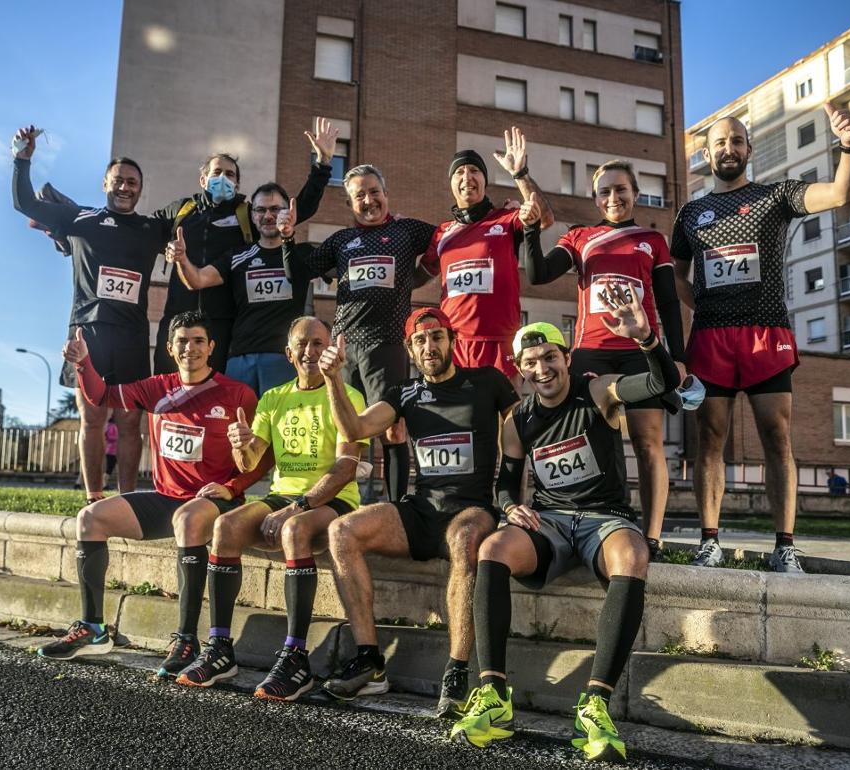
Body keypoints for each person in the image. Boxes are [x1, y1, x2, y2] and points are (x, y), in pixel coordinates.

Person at [450, 287, 677, 761]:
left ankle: (595, 704)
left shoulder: (597, 391)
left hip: (604, 519)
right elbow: (504, 487)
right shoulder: (516, 419)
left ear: (566, 356)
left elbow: (662, 383)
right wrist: (511, 509)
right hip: (550, 522)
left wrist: (646, 340)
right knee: (491, 549)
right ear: (520, 369)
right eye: (530, 362)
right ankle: (492, 695)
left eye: (549, 356)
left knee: (633, 557)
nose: (542, 369)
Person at [672, 104, 850, 573]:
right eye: (720, 142)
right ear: (707, 153)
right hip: (711, 338)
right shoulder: (691, 213)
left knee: (777, 438)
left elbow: (841, 193)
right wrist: (706, 302)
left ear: (749, 150)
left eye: (737, 141)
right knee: (709, 440)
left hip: (766, 334)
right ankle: (710, 542)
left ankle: (785, 547)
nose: (728, 149)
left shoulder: (776, 195)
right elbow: (674, 276)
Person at [36, 311, 271, 681]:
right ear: (170, 347)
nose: (189, 348)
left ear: (211, 347)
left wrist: (234, 487)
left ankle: (187, 640)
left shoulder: (237, 393)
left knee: (190, 517)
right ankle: (93, 628)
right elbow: (101, 394)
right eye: (182, 341)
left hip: (215, 501)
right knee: (90, 518)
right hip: (168, 499)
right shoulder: (156, 388)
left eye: (197, 341)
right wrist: (84, 364)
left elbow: (264, 455)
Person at [319, 307, 518, 716]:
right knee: (342, 532)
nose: (430, 347)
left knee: (465, 542)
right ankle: (370, 661)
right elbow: (354, 430)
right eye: (420, 341)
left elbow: (523, 437)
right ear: (410, 349)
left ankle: (457, 671)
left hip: (472, 509)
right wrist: (333, 378)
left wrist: (516, 501)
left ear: (452, 340)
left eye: (437, 337)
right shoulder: (404, 393)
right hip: (423, 509)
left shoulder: (488, 382)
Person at [171, 316, 367, 701]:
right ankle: (220, 649)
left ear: (329, 350)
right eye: (302, 345)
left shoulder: (347, 395)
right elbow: (249, 463)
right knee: (225, 528)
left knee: (293, 531)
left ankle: (295, 657)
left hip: (331, 500)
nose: (310, 352)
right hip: (284, 497)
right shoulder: (274, 398)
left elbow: (345, 468)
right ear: (288, 353)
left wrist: (299, 506)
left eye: (318, 344)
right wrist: (239, 442)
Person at [523, 159, 687, 561]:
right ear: (594, 198)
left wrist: (678, 359)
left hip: (639, 352)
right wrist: (530, 230)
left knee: (649, 445)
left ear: (635, 193)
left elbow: (667, 302)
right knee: (588, 442)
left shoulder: (653, 240)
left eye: (621, 189)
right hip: (591, 352)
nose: (613, 197)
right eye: (605, 191)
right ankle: (588, 525)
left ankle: (651, 539)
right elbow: (538, 274)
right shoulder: (580, 237)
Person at [11, 125, 168, 504]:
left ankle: (128, 499)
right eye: (118, 181)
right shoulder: (79, 218)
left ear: (140, 188)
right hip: (87, 335)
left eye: (132, 182)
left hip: (131, 338)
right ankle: (94, 498)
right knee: (93, 420)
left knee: (131, 423)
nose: (125, 187)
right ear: (105, 184)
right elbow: (25, 205)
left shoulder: (152, 228)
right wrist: (21, 159)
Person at [286, 164, 439, 501]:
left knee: (393, 430)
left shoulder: (406, 231)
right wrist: (287, 237)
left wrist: (423, 273)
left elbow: (448, 238)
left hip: (385, 346)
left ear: (386, 195)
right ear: (349, 204)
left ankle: (397, 508)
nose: (369, 200)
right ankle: (343, 503)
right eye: (359, 195)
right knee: (346, 433)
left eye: (374, 192)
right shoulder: (341, 240)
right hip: (343, 351)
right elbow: (297, 272)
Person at [153, 118, 339, 375]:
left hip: (224, 323)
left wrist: (322, 166)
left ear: (238, 185)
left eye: (230, 175)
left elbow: (297, 209)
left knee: (218, 395)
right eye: (217, 173)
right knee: (166, 387)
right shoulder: (181, 211)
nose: (223, 178)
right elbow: (141, 232)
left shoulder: (248, 213)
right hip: (178, 315)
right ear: (203, 179)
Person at [164, 181, 326, 396]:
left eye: (275, 209)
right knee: (238, 426)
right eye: (260, 210)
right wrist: (182, 259)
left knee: (279, 428)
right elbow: (198, 280)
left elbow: (342, 266)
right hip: (241, 358)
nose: (268, 216)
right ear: (252, 216)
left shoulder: (303, 254)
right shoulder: (238, 256)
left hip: (285, 359)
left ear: (288, 213)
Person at [424, 128, 555, 385]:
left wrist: (520, 173)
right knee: (459, 421)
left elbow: (545, 218)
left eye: (474, 171)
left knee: (504, 423)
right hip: (456, 344)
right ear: (451, 183)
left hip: (500, 344)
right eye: (459, 172)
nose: (467, 177)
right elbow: (417, 277)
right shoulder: (442, 233)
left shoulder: (506, 219)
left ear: (485, 180)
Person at [103, 416, 119, 490]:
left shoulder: (107, 425)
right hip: (112, 451)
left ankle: (105, 484)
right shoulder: (112, 426)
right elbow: (111, 437)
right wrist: (120, 437)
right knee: (109, 468)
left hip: (111, 450)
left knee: (110, 468)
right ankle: (104, 484)